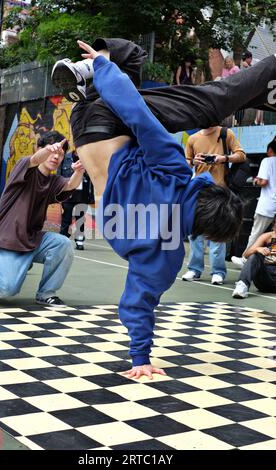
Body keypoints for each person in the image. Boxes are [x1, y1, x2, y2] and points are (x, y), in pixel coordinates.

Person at [51, 40, 249, 380]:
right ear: (204, 230)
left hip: (108, 121)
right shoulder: (167, 255)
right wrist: (139, 357)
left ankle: (94, 68)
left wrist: (105, 67)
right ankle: (89, 80)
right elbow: (137, 301)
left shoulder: (175, 173)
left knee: (131, 59)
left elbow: (139, 117)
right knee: (144, 116)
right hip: (81, 128)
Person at [0, 132, 85, 305]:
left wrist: (79, 171)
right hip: (9, 239)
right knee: (5, 289)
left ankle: (46, 293)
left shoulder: (53, 181)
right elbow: (34, 160)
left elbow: (70, 184)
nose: (56, 156)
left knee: (62, 244)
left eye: (60, 154)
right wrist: (49, 149)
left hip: (33, 239)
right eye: (51, 151)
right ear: (40, 149)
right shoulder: (23, 167)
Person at [182, 126, 246, 285]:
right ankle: (194, 269)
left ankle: (218, 271)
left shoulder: (226, 133)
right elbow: (185, 163)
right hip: (199, 191)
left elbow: (241, 155)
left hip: (220, 192)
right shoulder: (192, 139)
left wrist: (223, 158)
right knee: (194, 232)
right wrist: (193, 161)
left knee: (218, 232)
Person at [232, 139, 276, 268]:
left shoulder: (267, 161)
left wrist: (255, 181)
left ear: (269, 151)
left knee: (256, 233)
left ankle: (245, 259)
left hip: (267, 205)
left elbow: (264, 182)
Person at [58, 148, 94, 250]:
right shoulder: (65, 158)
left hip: (82, 195)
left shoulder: (87, 159)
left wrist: (84, 170)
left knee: (80, 219)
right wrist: (59, 193)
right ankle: (62, 240)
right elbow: (59, 175)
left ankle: (79, 241)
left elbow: (92, 176)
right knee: (66, 218)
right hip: (67, 195)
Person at [232, 215, 276, 298]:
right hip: (265, 279)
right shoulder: (266, 236)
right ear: (274, 223)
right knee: (255, 255)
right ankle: (242, 285)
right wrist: (257, 249)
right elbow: (245, 255)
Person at [242, 51, 264, 125]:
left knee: (260, 102)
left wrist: (248, 67)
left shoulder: (256, 62)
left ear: (250, 58)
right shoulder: (245, 64)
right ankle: (259, 121)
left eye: (245, 59)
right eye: (243, 59)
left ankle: (259, 120)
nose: (244, 61)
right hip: (253, 87)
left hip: (260, 84)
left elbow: (256, 72)